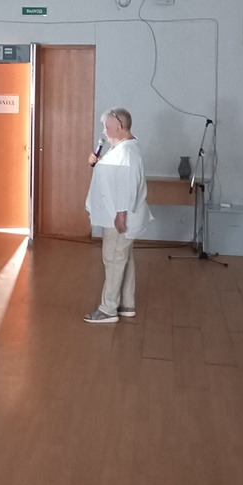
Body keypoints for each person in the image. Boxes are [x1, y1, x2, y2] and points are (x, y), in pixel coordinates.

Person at [83, 108, 153, 324]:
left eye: (107, 127)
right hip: (117, 214)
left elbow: (127, 186)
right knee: (123, 258)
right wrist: (97, 162)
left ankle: (108, 309)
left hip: (119, 217)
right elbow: (113, 175)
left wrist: (121, 214)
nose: (104, 131)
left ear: (119, 127)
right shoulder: (122, 149)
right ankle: (126, 304)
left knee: (113, 259)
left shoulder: (126, 153)